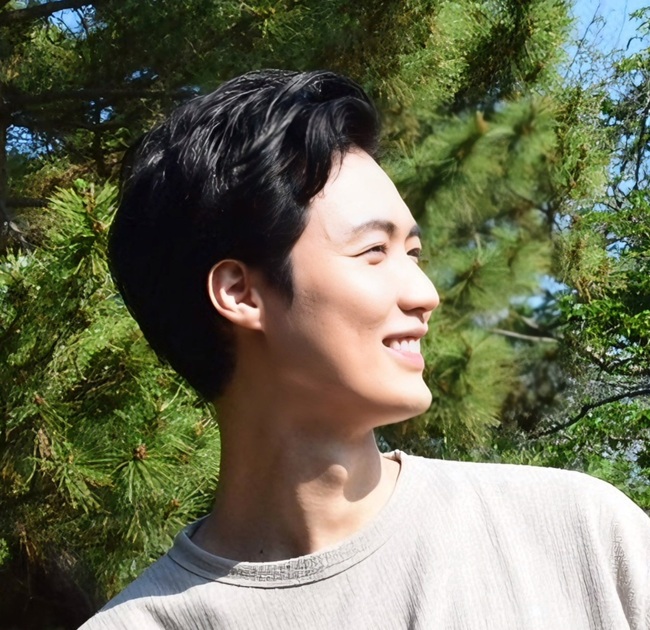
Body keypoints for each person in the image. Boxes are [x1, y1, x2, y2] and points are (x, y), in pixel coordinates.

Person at [80, 69, 650, 630]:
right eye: (374, 251)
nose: (425, 295)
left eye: (414, 253)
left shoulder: (586, 542)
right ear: (239, 293)